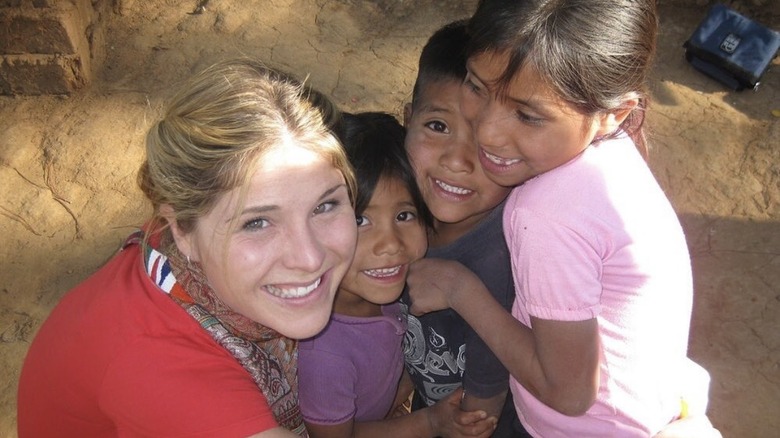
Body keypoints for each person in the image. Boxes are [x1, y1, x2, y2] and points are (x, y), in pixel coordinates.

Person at [407, 1, 719, 437]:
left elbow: (569, 393)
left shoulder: (547, 210)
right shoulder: (605, 157)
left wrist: (459, 289)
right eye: (477, 86)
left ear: (614, 113)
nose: (487, 131)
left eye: (527, 115)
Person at [17, 59, 359, 437]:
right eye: (257, 223)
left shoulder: (196, 247)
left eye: (325, 206)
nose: (309, 258)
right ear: (181, 230)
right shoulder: (165, 371)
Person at [400, 20, 527, 438]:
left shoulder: (499, 264)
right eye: (438, 126)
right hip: (428, 404)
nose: (458, 161)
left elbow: (480, 419)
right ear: (407, 121)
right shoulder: (391, 211)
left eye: (485, 144)